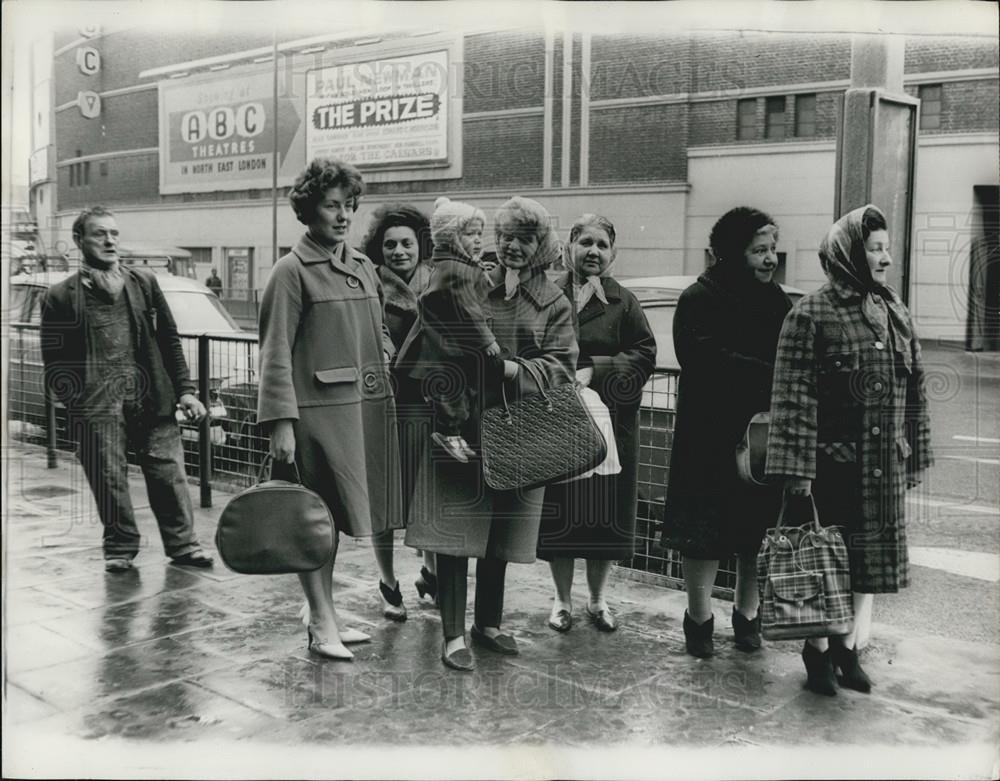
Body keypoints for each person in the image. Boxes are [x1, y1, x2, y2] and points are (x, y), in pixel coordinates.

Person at [403, 196, 576, 671]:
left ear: (542, 245)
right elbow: (432, 331)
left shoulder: (555, 302)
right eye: (505, 237)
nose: (511, 247)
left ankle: (488, 624)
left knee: (499, 534)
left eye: (525, 239)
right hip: (461, 424)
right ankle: (454, 633)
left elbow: (562, 367)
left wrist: (509, 370)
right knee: (457, 533)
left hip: (519, 429)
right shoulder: (471, 280)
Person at [766, 204, 932, 696]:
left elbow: (915, 391)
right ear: (849, 254)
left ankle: (849, 651)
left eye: (886, 249)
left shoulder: (894, 311)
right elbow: (793, 397)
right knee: (823, 563)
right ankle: (817, 653)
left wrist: (915, 456)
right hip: (830, 468)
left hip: (882, 466)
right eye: (874, 249)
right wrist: (798, 471)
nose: (884, 259)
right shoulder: (810, 315)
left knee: (865, 564)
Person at [257, 158, 403, 660]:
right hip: (316, 418)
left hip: (362, 413)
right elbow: (274, 353)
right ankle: (320, 622)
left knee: (336, 519)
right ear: (308, 210)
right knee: (314, 520)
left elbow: (380, 327)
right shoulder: (290, 272)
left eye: (349, 206)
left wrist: (383, 350)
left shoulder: (363, 267)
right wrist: (281, 423)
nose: (342, 216)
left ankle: (326, 613)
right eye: (331, 205)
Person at [40, 206, 214, 572]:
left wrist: (185, 390)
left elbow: (169, 339)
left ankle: (183, 545)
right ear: (79, 241)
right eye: (99, 234)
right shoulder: (60, 297)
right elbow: (54, 362)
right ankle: (120, 547)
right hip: (98, 405)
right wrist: (76, 405)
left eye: (114, 234)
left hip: (150, 397)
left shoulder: (143, 283)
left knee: (169, 474)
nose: (109, 241)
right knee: (109, 478)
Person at [661, 206, 791, 658]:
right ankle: (699, 619)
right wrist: (767, 374)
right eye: (759, 250)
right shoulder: (699, 298)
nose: (770, 259)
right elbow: (704, 360)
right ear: (734, 253)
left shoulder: (777, 302)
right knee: (704, 536)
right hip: (708, 439)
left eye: (772, 249)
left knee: (753, 532)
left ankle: (747, 616)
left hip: (758, 439)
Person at [538, 214, 656, 633]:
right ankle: (561, 601)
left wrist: (598, 372)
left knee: (604, 513)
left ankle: (598, 600)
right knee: (563, 513)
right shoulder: (548, 294)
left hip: (609, 425)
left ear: (613, 252)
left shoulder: (624, 301)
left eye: (602, 245)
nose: (594, 252)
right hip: (560, 420)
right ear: (570, 246)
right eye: (585, 242)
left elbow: (644, 353)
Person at [360, 202, 436, 613]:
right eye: (390, 244)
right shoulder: (371, 285)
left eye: (407, 243)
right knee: (386, 498)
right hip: (387, 403)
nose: (399, 251)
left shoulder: (439, 282)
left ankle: (431, 572)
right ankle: (388, 581)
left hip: (429, 406)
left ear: (421, 245)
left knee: (428, 494)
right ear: (379, 249)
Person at [397, 197, 496, 464]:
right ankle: (449, 433)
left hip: (445, 342)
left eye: (479, 234)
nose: (478, 240)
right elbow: (468, 308)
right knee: (452, 389)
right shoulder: (456, 270)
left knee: (457, 388)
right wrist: (487, 341)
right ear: (450, 237)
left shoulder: (455, 266)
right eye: (470, 234)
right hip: (440, 346)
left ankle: (453, 432)